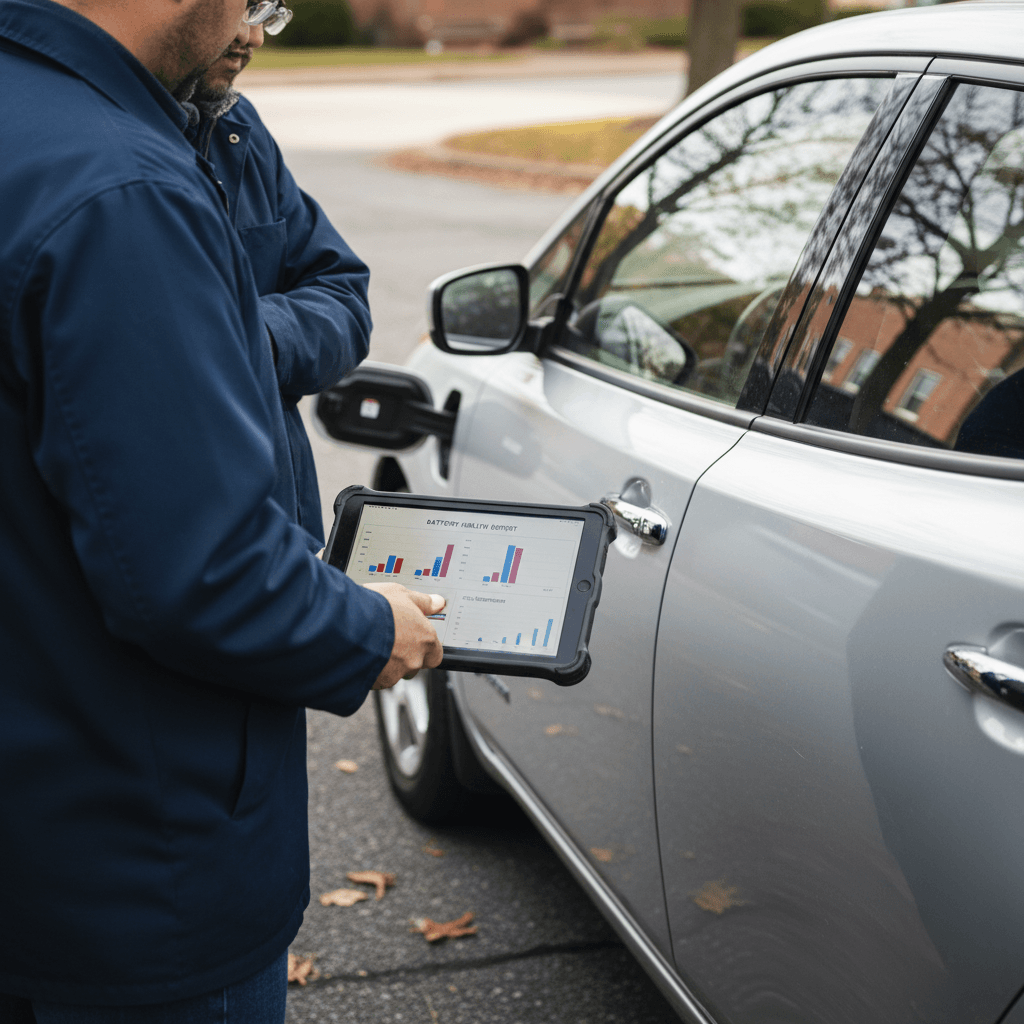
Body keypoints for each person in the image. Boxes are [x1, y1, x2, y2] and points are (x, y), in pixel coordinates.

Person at [0, 0, 442, 1020]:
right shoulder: (119, 188)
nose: (256, 18)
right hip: (131, 866)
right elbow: (202, 577)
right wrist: (370, 626)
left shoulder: (80, 126)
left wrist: (229, 336)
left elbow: (335, 283)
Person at [184, 10, 365, 548]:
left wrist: (258, 333)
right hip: (191, 557)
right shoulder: (103, 143)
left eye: (267, 11)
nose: (252, 36)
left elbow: (343, 291)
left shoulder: (240, 127)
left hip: (282, 543)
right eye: (240, 10)